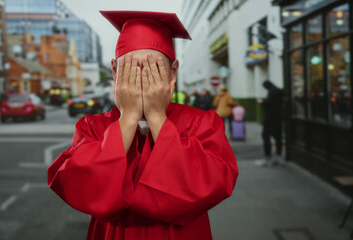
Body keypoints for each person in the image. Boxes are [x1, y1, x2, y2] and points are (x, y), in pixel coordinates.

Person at [47, 10, 238, 240]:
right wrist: (128, 118)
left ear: (173, 72)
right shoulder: (93, 126)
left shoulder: (202, 123)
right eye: (130, 68)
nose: (142, 78)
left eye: (154, 68)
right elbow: (80, 186)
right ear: (116, 71)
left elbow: (210, 185)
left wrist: (157, 116)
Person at [257, 80, 284, 166]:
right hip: (278, 118)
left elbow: (268, 104)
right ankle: (278, 155)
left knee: (266, 136)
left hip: (270, 118)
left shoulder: (272, 92)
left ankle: (268, 156)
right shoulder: (279, 91)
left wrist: (262, 102)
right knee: (278, 137)